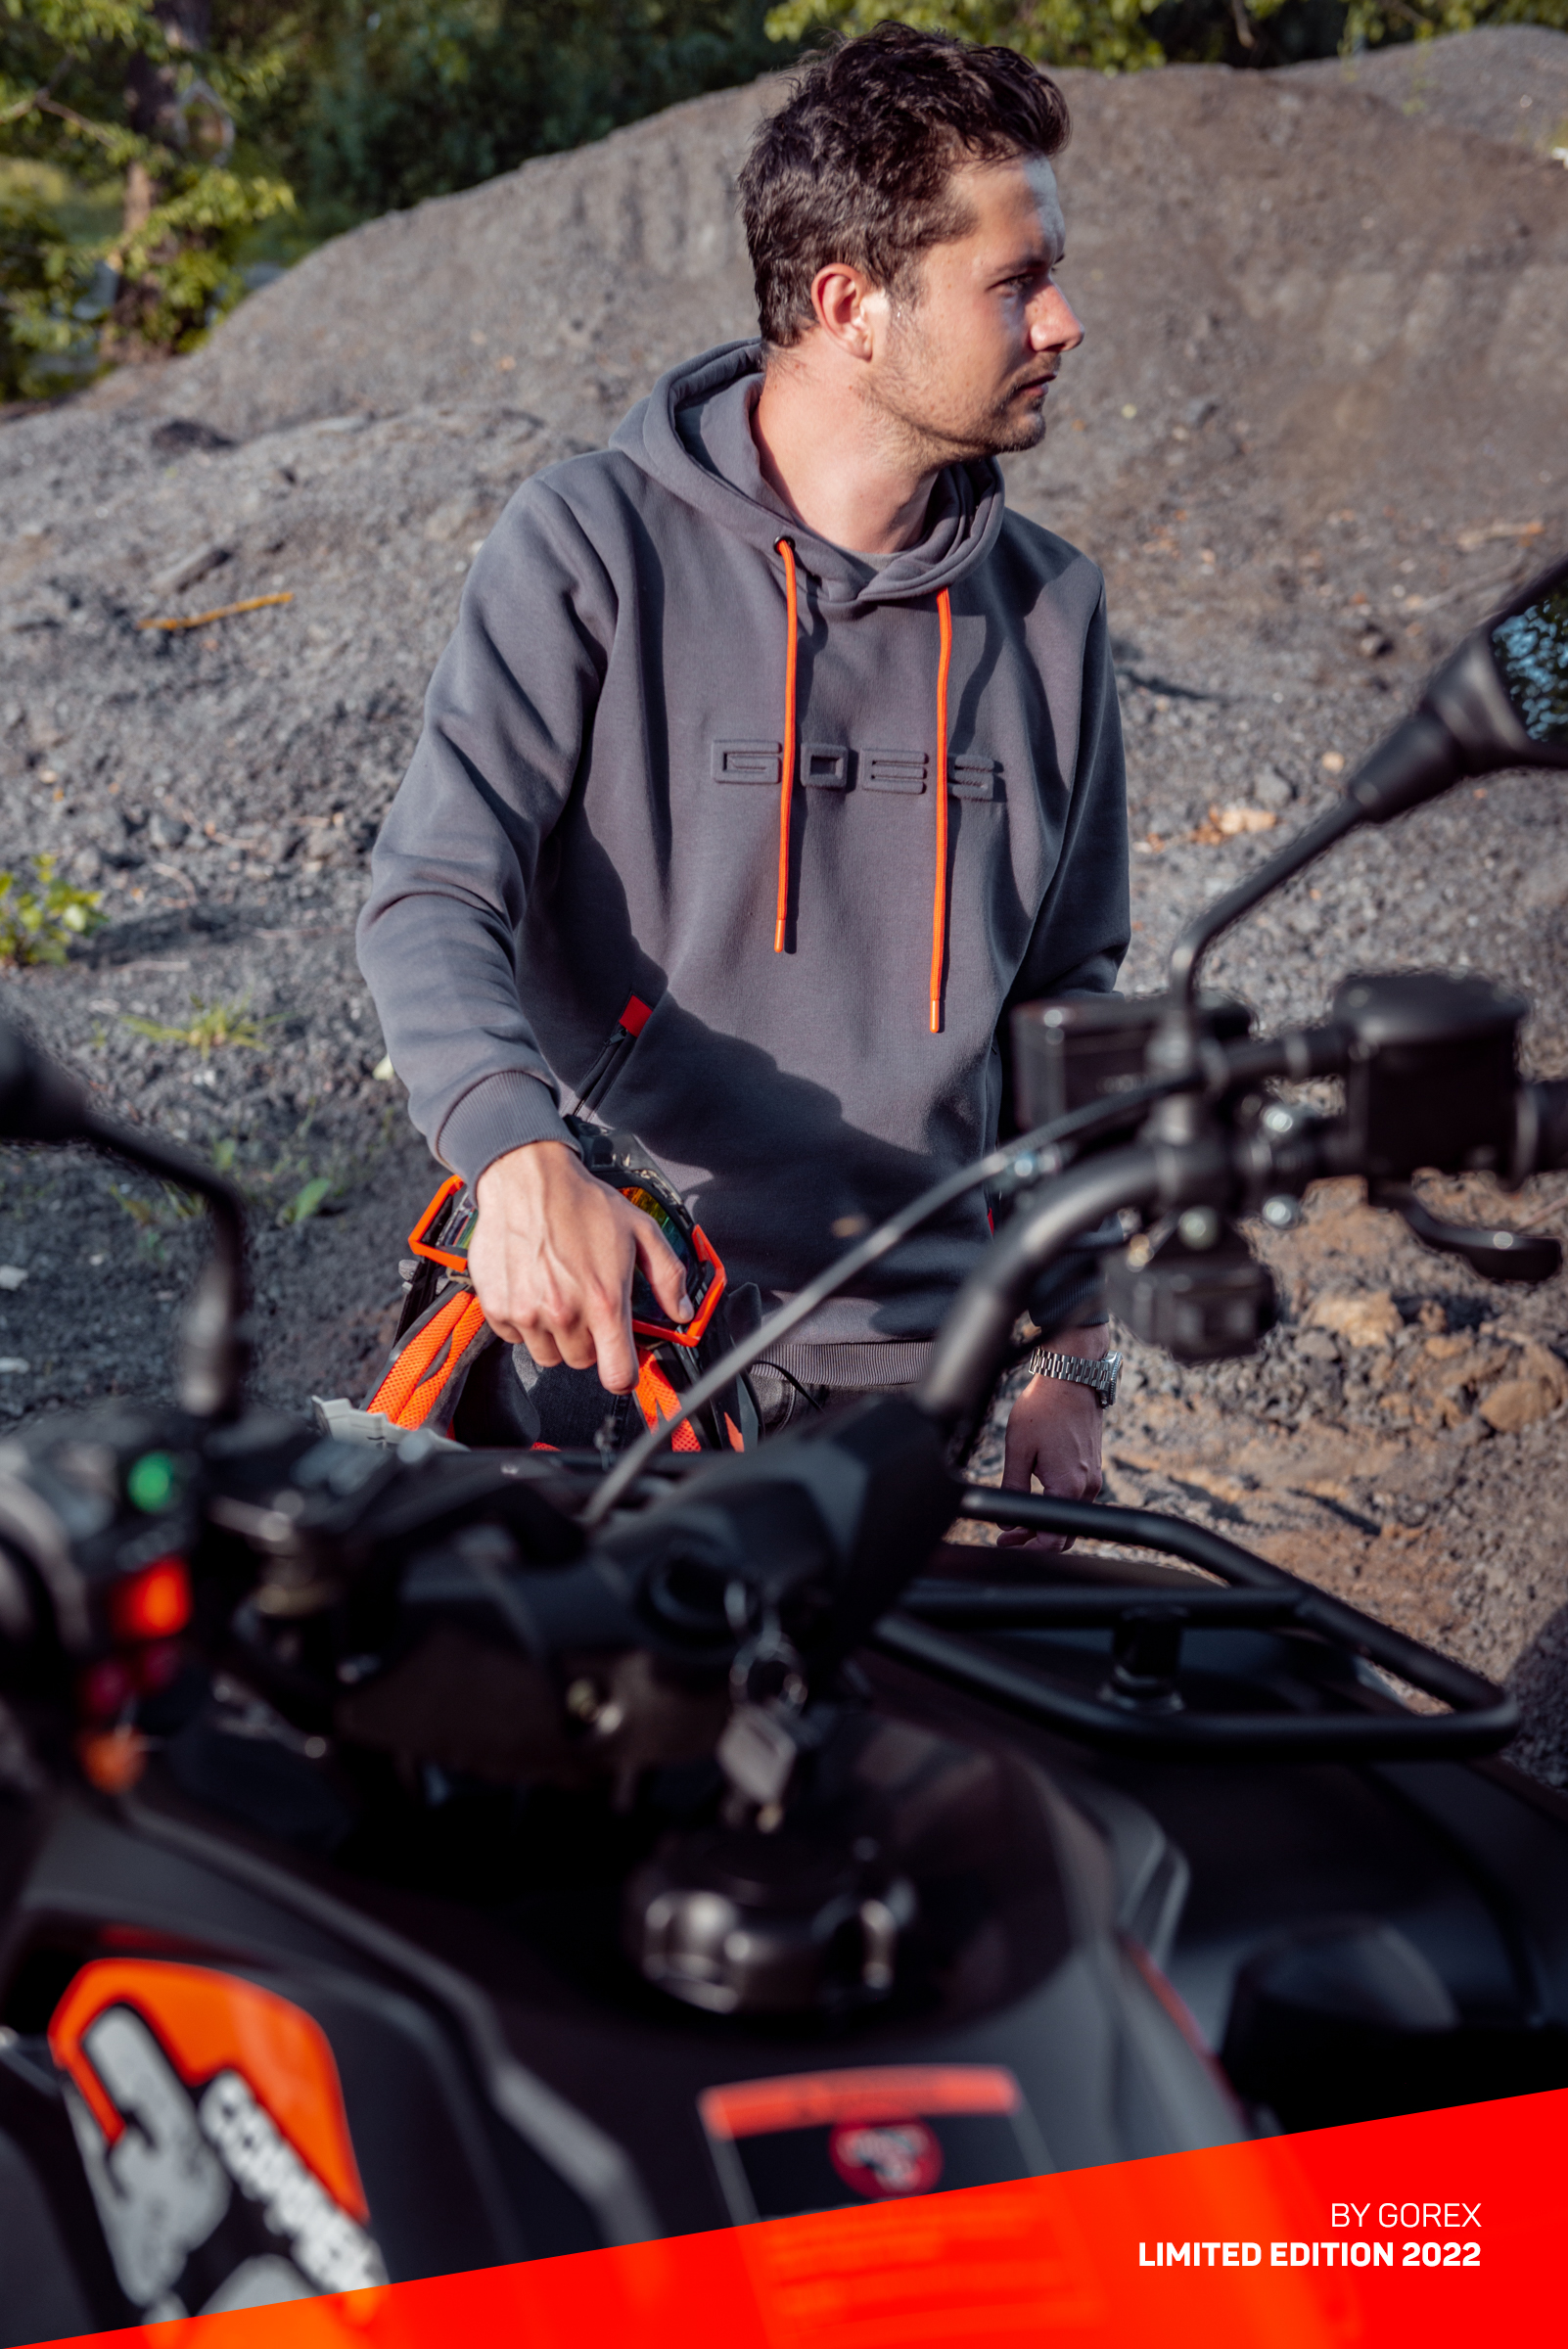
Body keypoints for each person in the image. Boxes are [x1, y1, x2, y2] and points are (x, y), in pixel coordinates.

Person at [356, 23, 1129, 1533]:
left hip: (911, 1392)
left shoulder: (1053, 612)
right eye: (1014, 281)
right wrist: (514, 1151)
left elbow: (1070, 1006)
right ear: (849, 307)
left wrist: (1071, 1346)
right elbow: (434, 891)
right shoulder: (590, 547)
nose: (1063, 320)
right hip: (613, 1346)